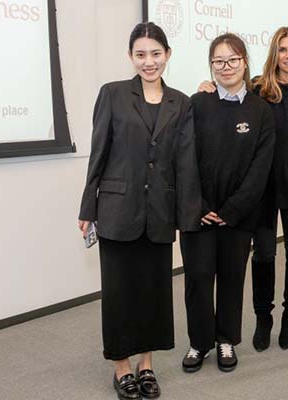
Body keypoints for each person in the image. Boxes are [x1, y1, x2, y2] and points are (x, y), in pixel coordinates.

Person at [78, 22, 201, 399]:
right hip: (116, 210)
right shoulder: (113, 94)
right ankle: (121, 367)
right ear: (131, 56)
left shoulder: (180, 101)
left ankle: (146, 364)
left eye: (156, 53)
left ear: (168, 55)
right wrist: (87, 207)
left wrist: (188, 216)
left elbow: (186, 162)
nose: (149, 61)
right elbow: (98, 152)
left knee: (152, 292)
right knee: (119, 293)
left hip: (159, 213)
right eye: (141, 54)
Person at [198, 26, 288, 352]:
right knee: (264, 254)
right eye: (282, 50)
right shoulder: (258, 88)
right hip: (262, 190)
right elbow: (229, 98)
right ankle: (263, 317)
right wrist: (206, 86)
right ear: (274, 54)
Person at [180, 33, 275, 374]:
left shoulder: (261, 110)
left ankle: (225, 340)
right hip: (198, 212)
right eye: (218, 61)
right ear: (211, 66)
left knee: (233, 278)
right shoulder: (197, 103)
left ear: (245, 62)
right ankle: (199, 342)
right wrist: (201, 204)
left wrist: (232, 210)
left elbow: (260, 168)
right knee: (198, 277)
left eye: (232, 60)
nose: (226, 67)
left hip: (239, 215)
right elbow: (185, 157)